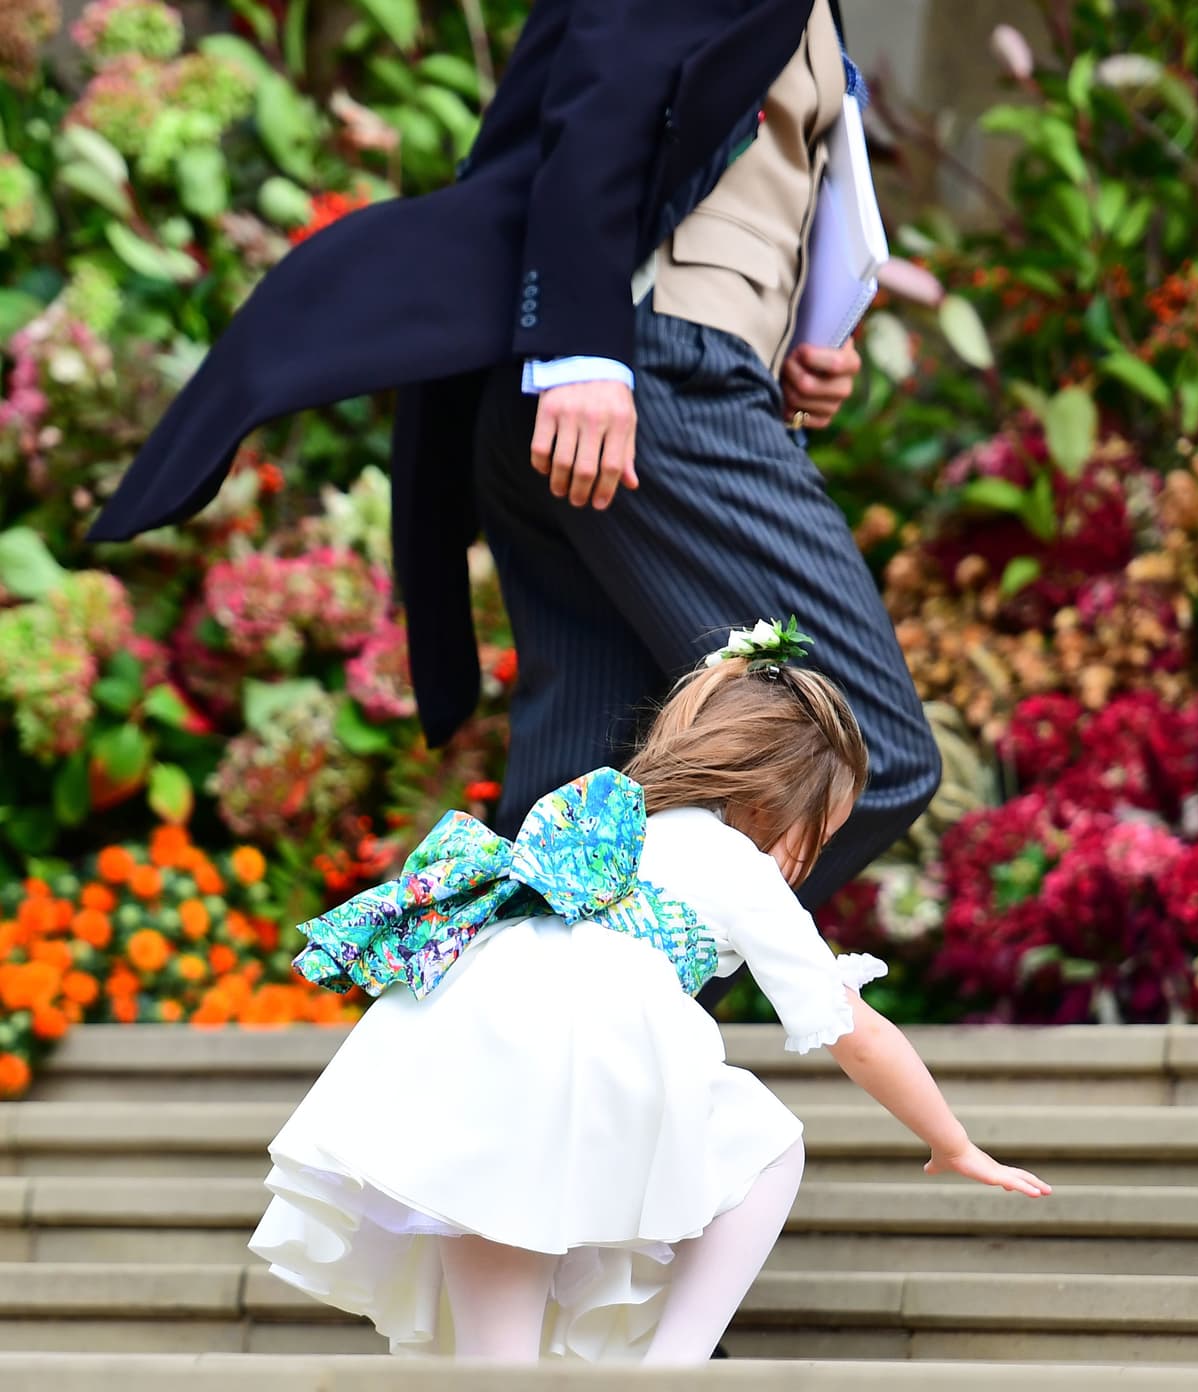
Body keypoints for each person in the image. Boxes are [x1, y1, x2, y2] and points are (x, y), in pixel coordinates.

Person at [88, 0, 941, 913]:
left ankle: (513, 1035)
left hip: (626, 387)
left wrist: (793, 343)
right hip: (643, 386)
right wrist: (582, 346)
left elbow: (708, 143)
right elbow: (607, 74)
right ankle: (583, 1016)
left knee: (580, 816)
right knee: (855, 752)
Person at [250, 623, 1048, 1364]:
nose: (809, 860)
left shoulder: (610, 823)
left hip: (482, 1017)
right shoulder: (740, 866)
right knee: (767, 1142)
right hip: (591, 1039)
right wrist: (953, 1141)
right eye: (819, 834)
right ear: (774, 805)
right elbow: (857, 1031)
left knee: (490, 1193)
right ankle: (672, 1368)